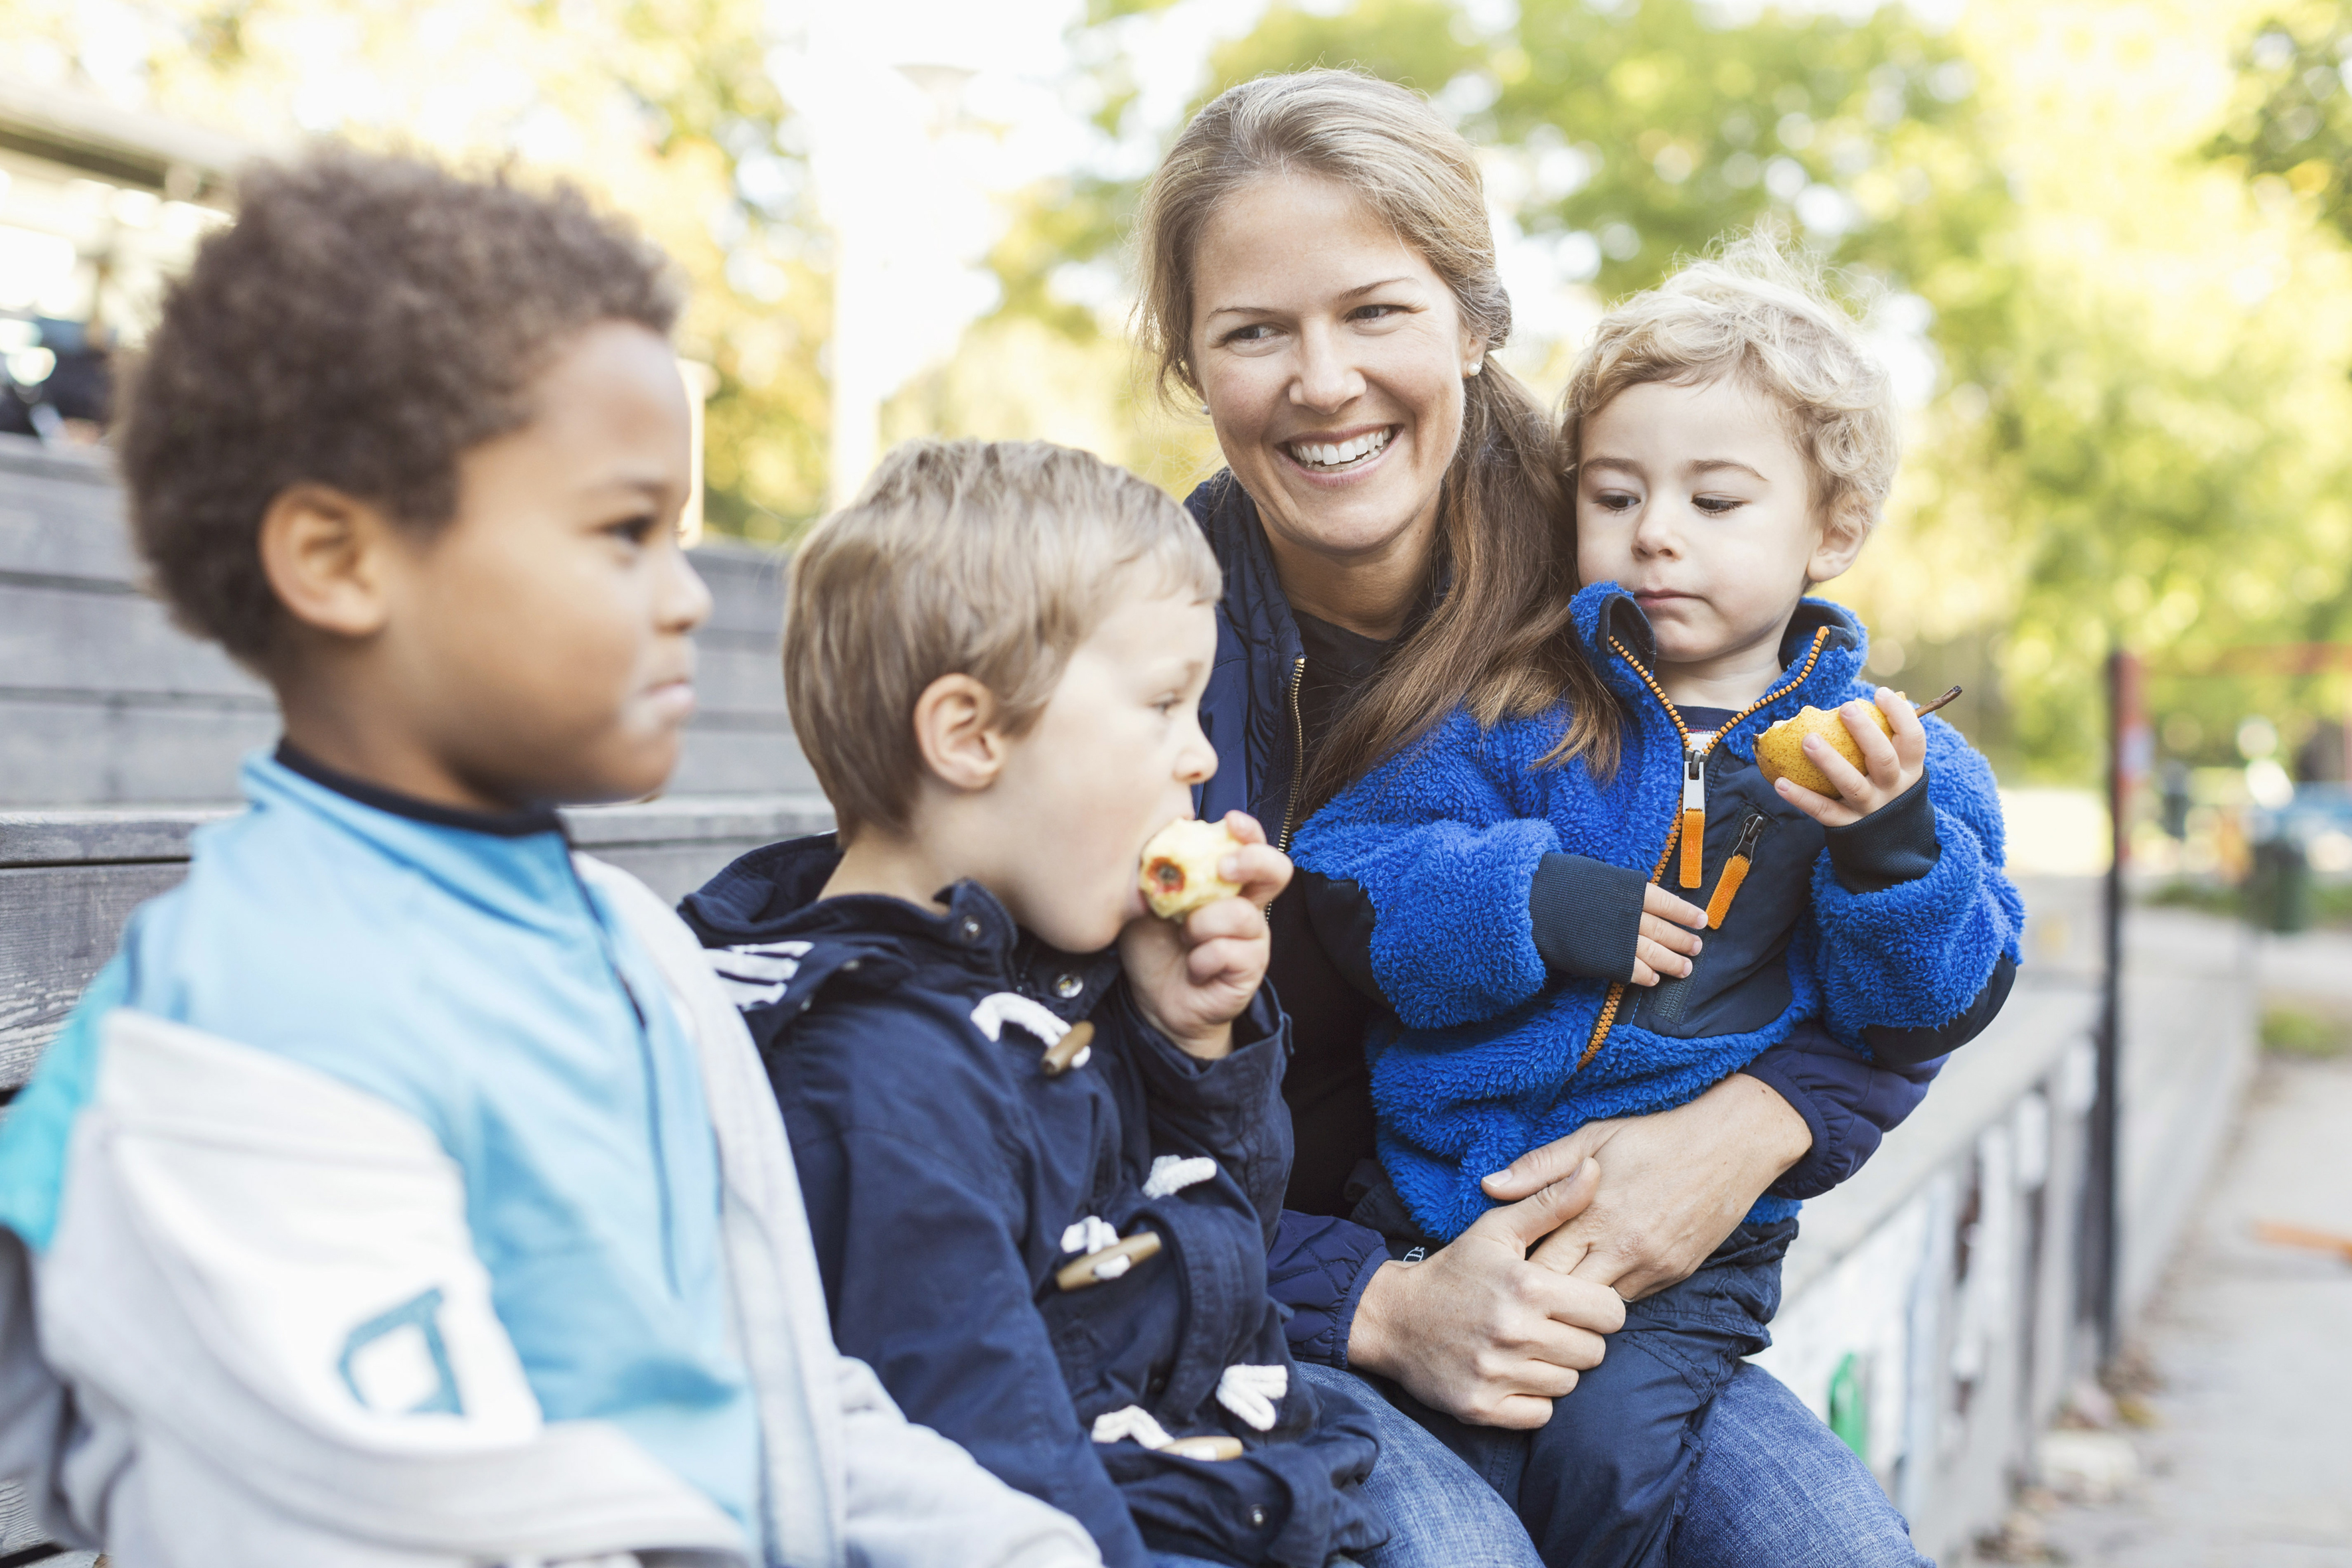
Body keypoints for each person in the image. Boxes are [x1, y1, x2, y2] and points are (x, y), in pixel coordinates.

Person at [0, 153, 1096, 1568]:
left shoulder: (627, 944)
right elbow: (412, 1515)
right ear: (338, 559)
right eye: (624, 533)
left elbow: (760, 1391)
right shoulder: (238, 1041)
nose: (690, 596)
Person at [1133, 68, 1964, 1561]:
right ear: (1191, 363)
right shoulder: (1138, 640)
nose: (1321, 381)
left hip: (1621, 1279)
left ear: (1473, 318)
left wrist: (1742, 1133)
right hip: (1290, 1274)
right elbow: (1069, 1111)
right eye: (1254, 331)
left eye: (1373, 310)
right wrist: (1373, 1304)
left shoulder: (1646, 563)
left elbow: (1887, 957)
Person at [1288, 237, 2023, 1567]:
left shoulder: (1892, 759)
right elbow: (1350, 868)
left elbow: (1926, 1005)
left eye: (1715, 499)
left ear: (1832, 529)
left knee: (1610, 1467)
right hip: (1436, 1203)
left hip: (1686, 1262)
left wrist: (1886, 853)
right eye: (1615, 493)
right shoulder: (1516, 714)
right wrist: (1532, 898)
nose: (1655, 532)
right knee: (1468, 1484)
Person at [678, 439, 1392, 1568]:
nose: (1201, 755)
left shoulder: (1050, 979)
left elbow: (1219, 1266)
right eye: (1163, 703)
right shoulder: (877, 1078)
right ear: (970, 735)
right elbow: (994, 1455)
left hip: (1229, 1469)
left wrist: (1194, 1043)